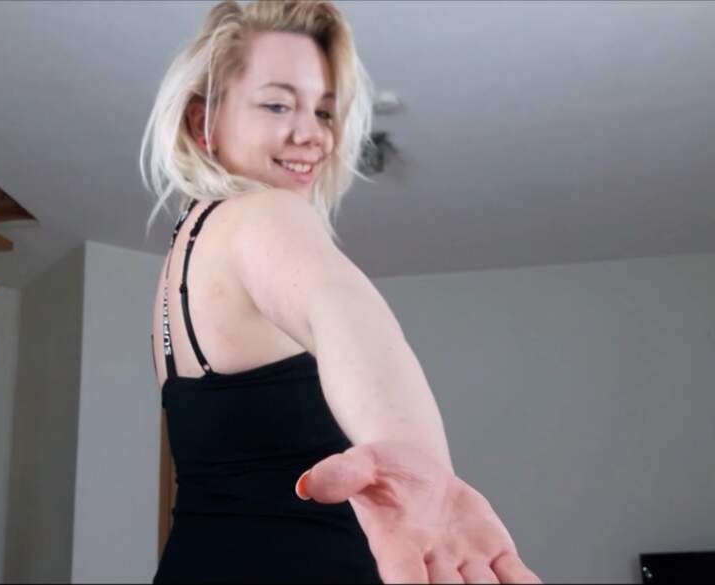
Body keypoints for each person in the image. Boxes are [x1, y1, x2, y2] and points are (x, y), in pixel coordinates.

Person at [141, 1, 542, 583]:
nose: (313, 135)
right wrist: (415, 463)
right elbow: (337, 305)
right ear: (204, 120)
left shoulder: (188, 254)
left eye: (324, 111)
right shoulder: (264, 214)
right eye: (278, 104)